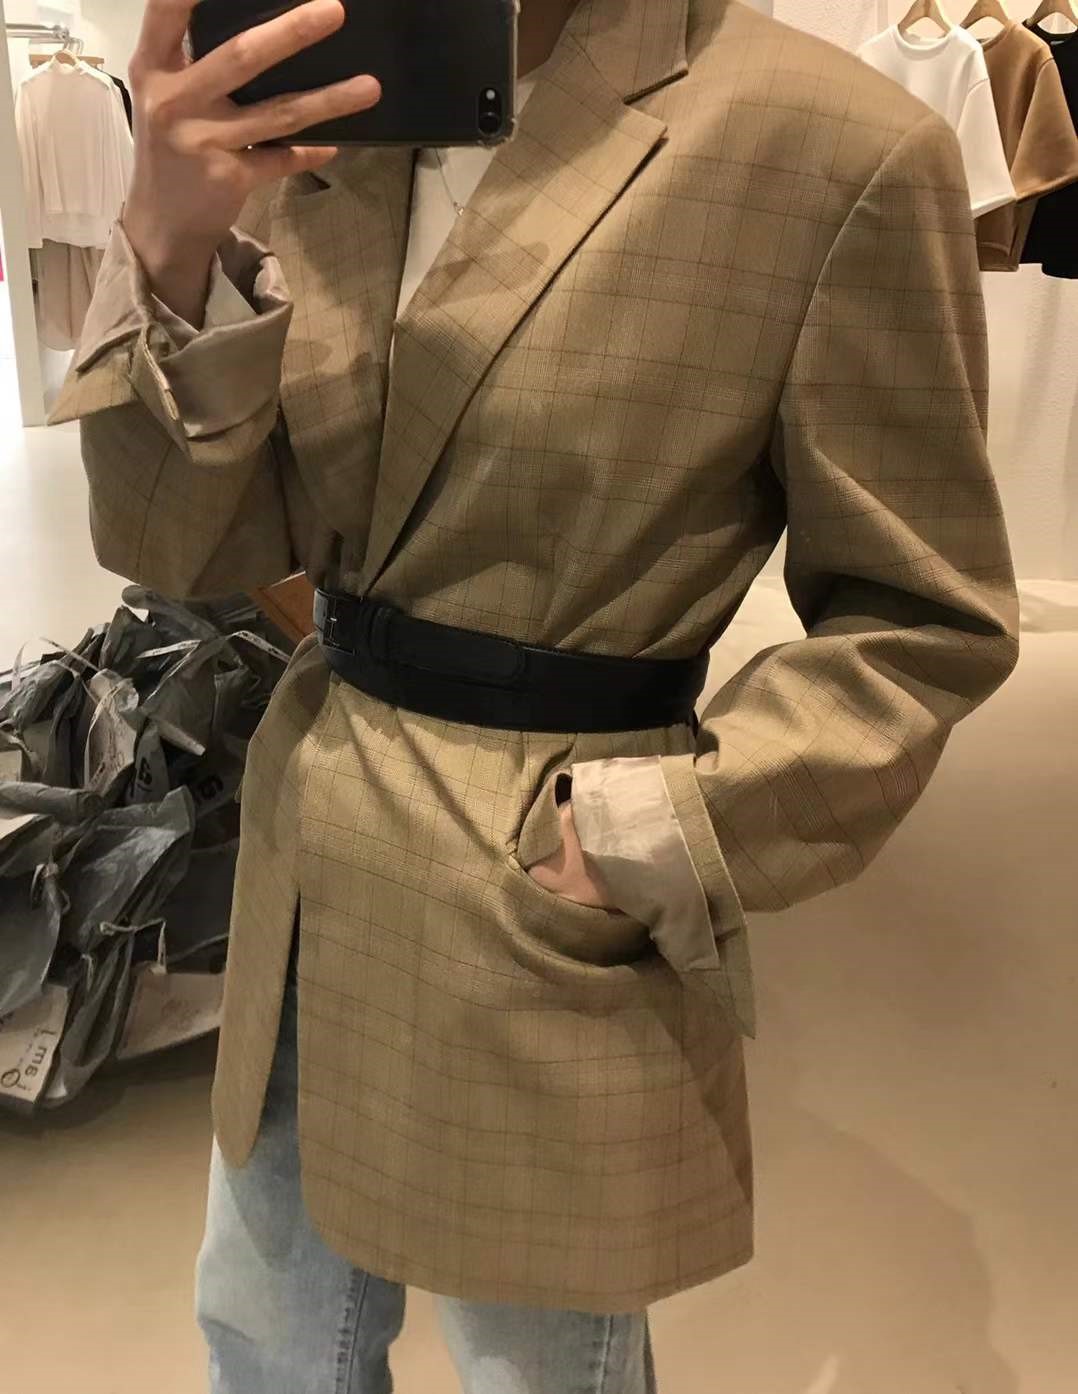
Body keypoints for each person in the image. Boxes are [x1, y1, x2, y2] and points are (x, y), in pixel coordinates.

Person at [57, 0, 1020, 1390]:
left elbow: (921, 615)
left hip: (549, 873)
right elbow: (182, 546)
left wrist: (662, 832)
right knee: (266, 1340)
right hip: (312, 846)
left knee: (539, 1366)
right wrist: (171, 243)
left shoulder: (827, 147)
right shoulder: (326, 125)